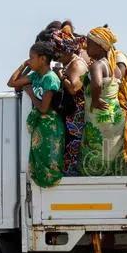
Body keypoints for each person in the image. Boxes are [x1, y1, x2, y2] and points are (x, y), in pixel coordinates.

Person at [7, 41, 65, 187]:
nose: (29, 60)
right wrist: (24, 65)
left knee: (48, 160)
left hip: (49, 127)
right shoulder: (35, 76)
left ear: (43, 59)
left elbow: (44, 108)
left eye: (31, 57)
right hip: (40, 125)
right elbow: (12, 83)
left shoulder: (49, 78)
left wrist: (31, 94)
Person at [80, 26, 127, 176]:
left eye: (89, 43)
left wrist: (96, 100)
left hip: (100, 116)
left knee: (97, 149)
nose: (86, 46)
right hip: (114, 115)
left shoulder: (97, 65)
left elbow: (97, 83)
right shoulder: (113, 66)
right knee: (113, 149)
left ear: (100, 46)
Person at [52, 24, 89, 176]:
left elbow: (74, 88)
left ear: (67, 50)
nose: (57, 55)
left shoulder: (77, 64)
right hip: (70, 117)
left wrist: (60, 75)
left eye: (59, 51)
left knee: (73, 152)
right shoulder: (70, 63)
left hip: (76, 119)